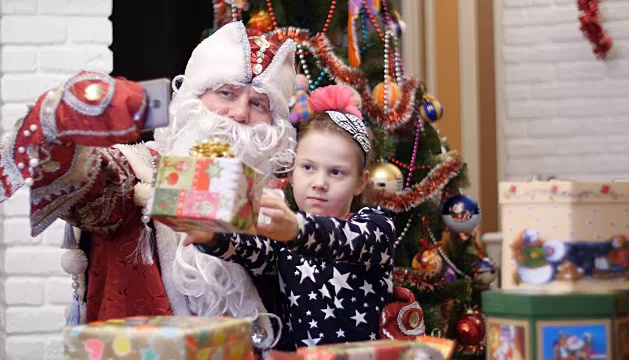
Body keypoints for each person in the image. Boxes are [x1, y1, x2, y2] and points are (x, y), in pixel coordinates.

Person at [0, 21, 297, 338]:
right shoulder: (138, 169)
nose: (239, 113)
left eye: (257, 104)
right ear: (193, 98)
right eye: (226, 93)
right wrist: (65, 123)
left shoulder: (276, 206)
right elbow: (88, 181)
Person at [186, 85, 396, 350]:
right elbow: (254, 249)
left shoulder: (375, 224)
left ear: (360, 183)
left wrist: (294, 229)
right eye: (308, 168)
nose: (319, 182)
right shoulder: (284, 232)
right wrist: (212, 237)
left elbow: (339, 239)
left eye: (336, 172)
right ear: (292, 171)